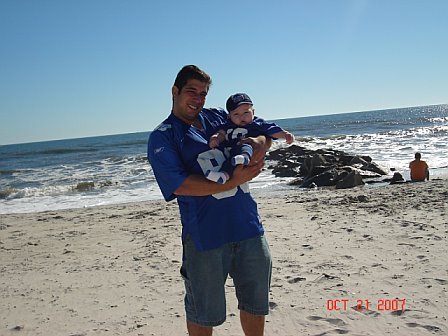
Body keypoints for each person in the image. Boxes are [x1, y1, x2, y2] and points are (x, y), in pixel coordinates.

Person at [147, 65, 272, 336]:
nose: (198, 98)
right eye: (191, 91)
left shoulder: (217, 117)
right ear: (175, 91)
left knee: (255, 303)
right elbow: (181, 185)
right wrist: (233, 180)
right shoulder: (163, 136)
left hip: (248, 227)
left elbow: (260, 132)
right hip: (205, 237)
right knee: (203, 313)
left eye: (203, 93)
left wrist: (259, 145)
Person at [205, 93, 294, 184]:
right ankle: (223, 175)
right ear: (229, 116)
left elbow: (271, 130)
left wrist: (284, 134)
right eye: (236, 114)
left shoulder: (257, 123)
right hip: (232, 153)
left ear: (253, 112)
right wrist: (215, 138)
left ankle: (244, 156)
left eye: (246, 112)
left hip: (249, 151)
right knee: (228, 163)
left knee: (246, 145)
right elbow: (221, 134)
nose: (242, 117)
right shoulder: (227, 125)